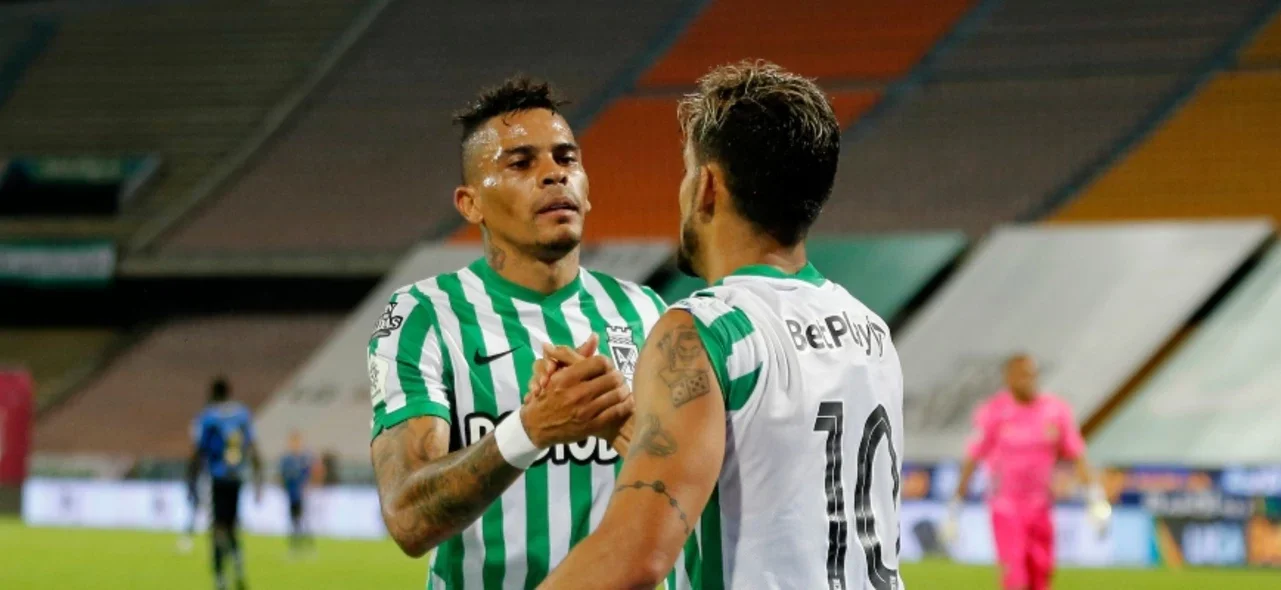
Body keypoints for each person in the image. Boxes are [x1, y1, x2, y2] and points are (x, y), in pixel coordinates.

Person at [540, 60, 905, 590]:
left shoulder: (702, 330)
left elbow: (634, 555)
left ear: (708, 185)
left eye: (688, 170)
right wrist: (621, 420)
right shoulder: (869, 330)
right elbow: (765, 468)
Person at [367, 77, 667, 588]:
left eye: (567, 159)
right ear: (470, 205)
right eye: (521, 163)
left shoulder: (647, 314)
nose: (554, 175)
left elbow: (702, 493)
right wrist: (530, 429)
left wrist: (643, 437)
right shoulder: (423, 316)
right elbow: (408, 518)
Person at [945, 354, 1111, 590]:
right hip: (1005, 505)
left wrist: (1095, 498)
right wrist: (956, 501)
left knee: (1041, 576)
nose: (1028, 380)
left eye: (1031, 375)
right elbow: (973, 455)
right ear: (1009, 378)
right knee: (1015, 576)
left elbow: (1077, 454)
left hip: (1042, 505)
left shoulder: (1055, 410)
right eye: (1021, 375)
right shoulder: (993, 411)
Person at [187, 377, 263, 590]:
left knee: (217, 528)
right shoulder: (242, 415)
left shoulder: (208, 417)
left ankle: (220, 578)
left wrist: (191, 480)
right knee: (232, 525)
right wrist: (258, 479)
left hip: (217, 478)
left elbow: (198, 451)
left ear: (212, 393)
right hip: (237, 478)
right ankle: (238, 565)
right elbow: (253, 448)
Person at [279, 430, 315, 557]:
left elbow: (308, 474)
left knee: (303, 519)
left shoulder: (304, 458)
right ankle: (295, 544)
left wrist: (306, 487)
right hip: (291, 493)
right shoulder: (286, 459)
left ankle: (308, 544)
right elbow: (282, 475)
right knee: (293, 519)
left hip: (301, 493)